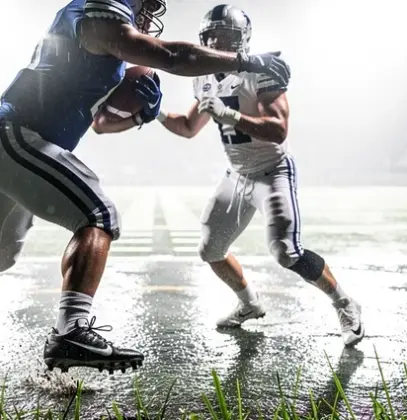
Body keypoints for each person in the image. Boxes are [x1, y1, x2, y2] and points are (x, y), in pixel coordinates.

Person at [0, 0, 293, 373]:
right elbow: (173, 56)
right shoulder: (96, 11)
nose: (148, 12)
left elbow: (101, 123)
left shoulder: (107, 51)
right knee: (99, 215)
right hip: (18, 137)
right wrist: (246, 61)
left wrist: (140, 116)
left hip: (9, 145)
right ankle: (71, 330)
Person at [93, 4, 363, 347]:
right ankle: (249, 304)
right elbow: (189, 127)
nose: (218, 42)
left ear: (243, 39)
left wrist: (229, 115)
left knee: (286, 251)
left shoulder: (261, 71)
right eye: (212, 37)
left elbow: (278, 130)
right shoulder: (204, 76)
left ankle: (344, 302)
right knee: (211, 249)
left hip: (273, 170)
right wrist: (156, 113)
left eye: (226, 36)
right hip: (237, 174)